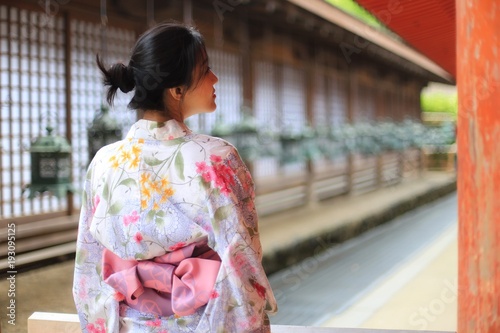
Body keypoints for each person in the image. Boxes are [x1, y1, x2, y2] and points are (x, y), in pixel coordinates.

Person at [73, 21, 277, 333]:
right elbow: (242, 260)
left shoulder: (104, 161)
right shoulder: (216, 158)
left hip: (124, 323)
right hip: (200, 322)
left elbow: (89, 264)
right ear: (177, 90)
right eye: (206, 68)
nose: (215, 78)